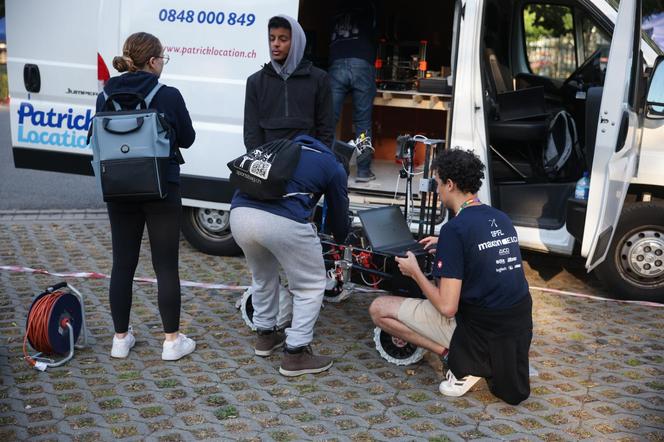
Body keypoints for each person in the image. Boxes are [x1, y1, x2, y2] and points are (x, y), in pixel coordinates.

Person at [369, 148, 533, 405]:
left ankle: (457, 358)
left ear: (450, 184)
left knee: (379, 309)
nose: (436, 190)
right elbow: (483, 256)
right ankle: (471, 355)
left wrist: (415, 273)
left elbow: (447, 307)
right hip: (516, 327)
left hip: (480, 333)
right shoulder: (500, 217)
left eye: (437, 184)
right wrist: (446, 246)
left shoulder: (454, 230)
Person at [96, 32, 196, 361]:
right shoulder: (167, 94)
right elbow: (188, 138)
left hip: (119, 188)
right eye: (163, 59)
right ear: (153, 61)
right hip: (161, 187)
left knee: (122, 264)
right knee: (165, 265)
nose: (163, 64)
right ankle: (171, 342)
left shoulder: (106, 93)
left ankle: (120, 339)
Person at [229, 135, 349, 377]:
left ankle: (265, 336)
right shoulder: (333, 166)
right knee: (310, 284)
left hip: (239, 215)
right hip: (282, 221)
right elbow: (338, 215)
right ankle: (296, 354)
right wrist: (342, 238)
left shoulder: (278, 147)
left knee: (263, 276)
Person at [243, 15, 334, 151]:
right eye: (271, 38)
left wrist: (318, 159)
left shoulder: (319, 79)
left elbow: (326, 128)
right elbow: (251, 132)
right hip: (268, 163)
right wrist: (259, 163)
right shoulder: (255, 82)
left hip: (307, 161)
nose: (276, 44)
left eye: (283, 39)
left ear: (297, 42)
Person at [328, 0, 378, 182]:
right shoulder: (368, 6)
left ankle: (327, 167)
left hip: (337, 63)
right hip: (362, 62)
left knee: (329, 120)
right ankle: (363, 172)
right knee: (362, 121)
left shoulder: (336, 9)